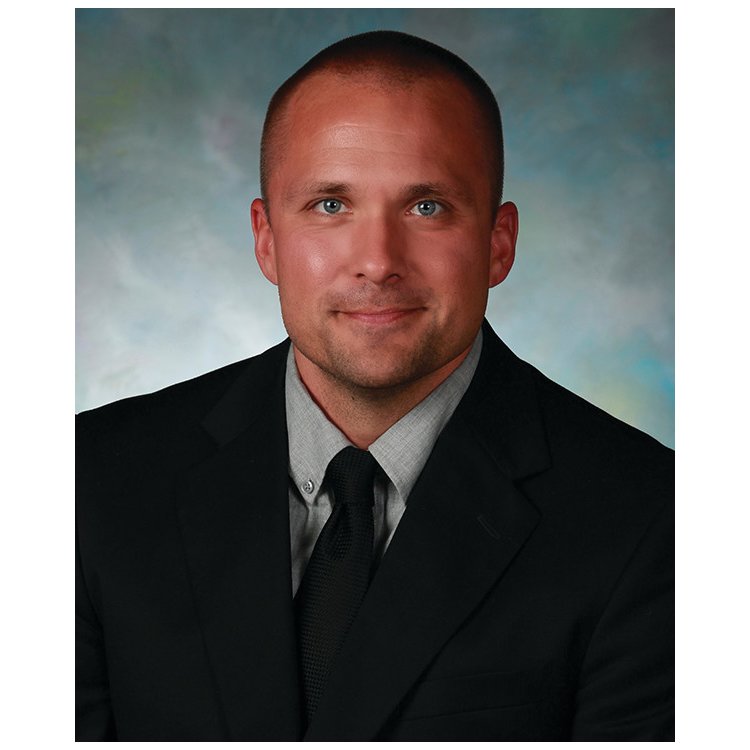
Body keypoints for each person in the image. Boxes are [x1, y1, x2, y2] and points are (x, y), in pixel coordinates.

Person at [76, 30, 674, 741]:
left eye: (427, 207)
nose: (378, 261)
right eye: (331, 205)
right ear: (266, 239)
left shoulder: (654, 521)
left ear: (498, 243)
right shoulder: (88, 481)